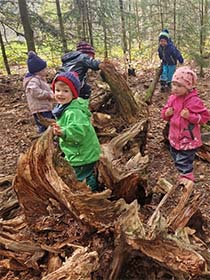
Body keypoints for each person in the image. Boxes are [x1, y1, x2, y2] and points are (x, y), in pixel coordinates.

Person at [51, 71, 101, 191]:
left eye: (65, 91)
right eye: (57, 90)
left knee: (82, 176)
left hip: (82, 154)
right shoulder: (65, 107)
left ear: (73, 93)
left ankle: (91, 194)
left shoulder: (74, 112)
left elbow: (78, 131)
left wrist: (63, 132)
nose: (60, 94)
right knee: (83, 175)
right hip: (77, 151)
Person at [161, 66, 210, 184]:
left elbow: (205, 117)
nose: (175, 88)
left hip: (188, 139)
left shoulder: (194, 101)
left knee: (184, 161)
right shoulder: (172, 99)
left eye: (179, 85)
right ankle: (183, 175)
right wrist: (167, 114)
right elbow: (164, 114)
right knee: (176, 158)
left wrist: (190, 117)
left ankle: (187, 181)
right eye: (174, 84)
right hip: (174, 137)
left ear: (188, 87)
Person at [23, 51, 54, 133]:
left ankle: (49, 138)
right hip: (40, 109)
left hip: (44, 107)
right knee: (45, 125)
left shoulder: (40, 79)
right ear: (39, 71)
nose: (46, 70)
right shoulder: (34, 80)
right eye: (45, 69)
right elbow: (34, 91)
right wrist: (48, 94)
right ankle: (43, 139)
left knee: (50, 123)